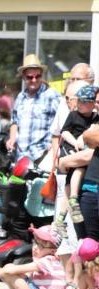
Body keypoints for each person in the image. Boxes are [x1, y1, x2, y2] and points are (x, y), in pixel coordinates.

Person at [59, 85, 98, 239]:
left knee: (78, 172)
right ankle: (61, 217)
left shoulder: (95, 118)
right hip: (71, 148)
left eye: (84, 101)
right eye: (79, 101)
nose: (79, 104)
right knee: (70, 181)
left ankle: (64, 214)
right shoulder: (74, 115)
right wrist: (76, 142)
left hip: (82, 157)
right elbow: (64, 132)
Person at [6, 54, 61, 163]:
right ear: (23, 77)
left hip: (42, 155)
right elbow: (14, 121)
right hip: (20, 156)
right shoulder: (20, 97)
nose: (34, 80)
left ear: (42, 75)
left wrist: (53, 147)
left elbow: (63, 123)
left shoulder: (52, 95)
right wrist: (12, 139)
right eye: (30, 77)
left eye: (38, 76)